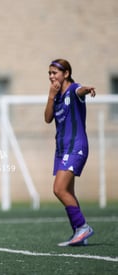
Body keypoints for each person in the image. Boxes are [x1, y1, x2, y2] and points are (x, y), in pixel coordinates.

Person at [44, 58, 96, 246]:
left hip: (76, 146)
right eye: (49, 73)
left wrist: (87, 89)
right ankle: (78, 234)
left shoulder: (74, 89)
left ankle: (82, 227)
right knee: (68, 191)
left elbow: (79, 90)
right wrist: (51, 95)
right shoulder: (55, 94)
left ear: (66, 74)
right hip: (61, 149)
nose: (51, 76)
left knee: (58, 189)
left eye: (54, 73)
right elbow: (47, 119)